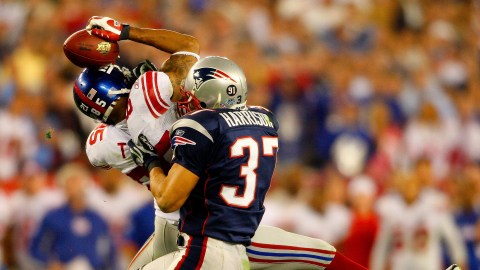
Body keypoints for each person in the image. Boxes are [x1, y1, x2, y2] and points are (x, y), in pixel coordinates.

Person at [78, 15, 369, 269]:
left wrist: (151, 159)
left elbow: (154, 180)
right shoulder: (259, 118)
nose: (186, 92)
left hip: (197, 219)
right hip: (209, 221)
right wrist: (126, 32)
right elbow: (188, 48)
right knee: (320, 254)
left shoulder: (110, 137)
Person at [29, 163, 117, 270]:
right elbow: (36, 248)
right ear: (63, 187)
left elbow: (109, 251)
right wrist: (50, 263)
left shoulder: (97, 218)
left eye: (77, 182)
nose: (75, 188)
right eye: (70, 183)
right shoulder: (53, 217)